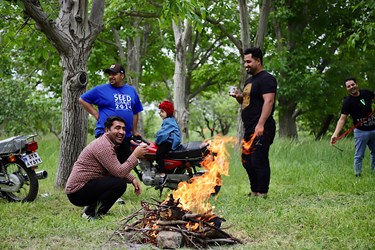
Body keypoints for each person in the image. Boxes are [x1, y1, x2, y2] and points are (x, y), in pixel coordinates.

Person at [65, 116, 148, 220]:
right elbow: (119, 172)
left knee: (116, 181)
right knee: (119, 184)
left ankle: (93, 209)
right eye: (117, 128)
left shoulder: (108, 143)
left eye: (123, 129)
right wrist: (135, 155)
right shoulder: (103, 146)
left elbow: (113, 168)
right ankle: (91, 214)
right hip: (77, 191)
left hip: (83, 187)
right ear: (107, 130)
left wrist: (132, 178)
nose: (122, 132)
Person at [230, 47, 277, 198]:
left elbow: (268, 101)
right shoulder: (249, 81)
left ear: (258, 60)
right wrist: (238, 96)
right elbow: (246, 101)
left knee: (258, 160)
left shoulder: (267, 78)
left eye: (249, 61)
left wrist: (261, 124)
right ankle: (254, 191)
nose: (246, 65)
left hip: (262, 127)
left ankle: (262, 193)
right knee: (247, 161)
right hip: (249, 128)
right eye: (245, 62)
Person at [79, 64, 143, 164]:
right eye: (109, 74)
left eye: (114, 74)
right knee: (107, 167)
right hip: (106, 135)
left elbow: (135, 111)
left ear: (122, 76)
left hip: (124, 136)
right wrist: (96, 114)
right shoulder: (101, 90)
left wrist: (134, 131)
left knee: (123, 166)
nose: (111, 76)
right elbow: (82, 99)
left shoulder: (131, 91)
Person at [330, 77, 375, 177]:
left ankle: (373, 174)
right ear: (346, 88)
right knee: (359, 155)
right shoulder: (347, 102)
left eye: (352, 85)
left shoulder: (366, 93)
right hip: (360, 132)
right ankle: (357, 176)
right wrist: (335, 134)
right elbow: (342, 119)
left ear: (356, 84)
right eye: (348, 86)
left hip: (373, 129)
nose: (351, 87)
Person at [154, 100, 181, 186]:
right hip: (170, 141)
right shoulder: (171, 120)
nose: (160, 113)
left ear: (168, 111)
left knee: (158, 154)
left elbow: (163, 134)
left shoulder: (168, 121)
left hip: (169, 142)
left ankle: (162, 174)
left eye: (162, 111)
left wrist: (156, 141)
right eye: (160, 111)